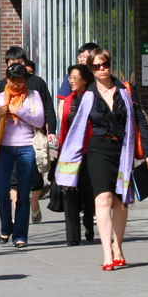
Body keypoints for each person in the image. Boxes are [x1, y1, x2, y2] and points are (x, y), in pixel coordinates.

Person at [56, 48, 148, 270]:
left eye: (105, 65)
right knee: (103, 199)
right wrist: (68, 160)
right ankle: (107, 253)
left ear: (110, 65)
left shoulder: (125, 91)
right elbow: (77, 127)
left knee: (121, 204)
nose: (101, 70)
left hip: (122, 150)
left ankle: (118, 247)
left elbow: (141, 120)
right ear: (91, 69)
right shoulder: (89, 94)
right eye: (96, 66)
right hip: (97, 151)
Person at [0, 63, 47, 248]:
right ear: (7, 79)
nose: (17, 85)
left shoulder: (33, 96)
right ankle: (6, 228)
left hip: (26, 148)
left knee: (23, 194)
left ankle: (20, 235)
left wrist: (19, 111)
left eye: (21, 81)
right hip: (4, 149)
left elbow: (40, 121)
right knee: (1, 191)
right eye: (13, 81)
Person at [0, 46, 57, 224]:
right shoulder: (2, 85)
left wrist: (51, 130)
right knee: (13, 179)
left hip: (33, 138)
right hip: (9, 139)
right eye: (11, 63)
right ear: (6, 65)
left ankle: (34, 201)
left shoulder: (36, 83)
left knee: (36, 176)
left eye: (19, 62)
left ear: (25, 63)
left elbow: (48, 108)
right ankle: (18, 212)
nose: (16, 66)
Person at [57, 63, 95, 246]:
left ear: (85, 80)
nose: (71, 81)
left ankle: (89, 221)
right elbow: (63, 128)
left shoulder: (93, 99)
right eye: (69, 77)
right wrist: (60, 152)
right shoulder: (68, 101)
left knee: (88, 193)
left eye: (74, 78)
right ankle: (72, 236)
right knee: (69, 193)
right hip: (69, 153)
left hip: (89, 152)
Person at [57, 43, 99, 120]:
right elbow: (63, 103)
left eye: (85, 57)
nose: (81, 59)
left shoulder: (100, 76)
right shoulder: (71, 75)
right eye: (80, 56)